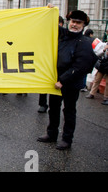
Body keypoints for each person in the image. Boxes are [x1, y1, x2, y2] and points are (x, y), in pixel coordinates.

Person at [37, 10, 98, 150]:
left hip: (70, 83)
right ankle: (51, 134)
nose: (74, 25)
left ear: (84, 25)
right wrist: (49, 10)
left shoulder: (85, 42)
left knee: (69, 111)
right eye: (73, 21)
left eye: (78, 23)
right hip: (55, 80)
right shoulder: (63, 35)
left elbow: (81, 66)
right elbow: (49, 25)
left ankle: (66, 139)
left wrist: (63, 80)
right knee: (53, 109)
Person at [38, 15, 65, 113]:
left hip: (59, 66)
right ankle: (42, 104)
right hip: (47, 64)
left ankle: (54, 106)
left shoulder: (64, 36)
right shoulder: (46, 35)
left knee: (57, 88)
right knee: (44, 85)